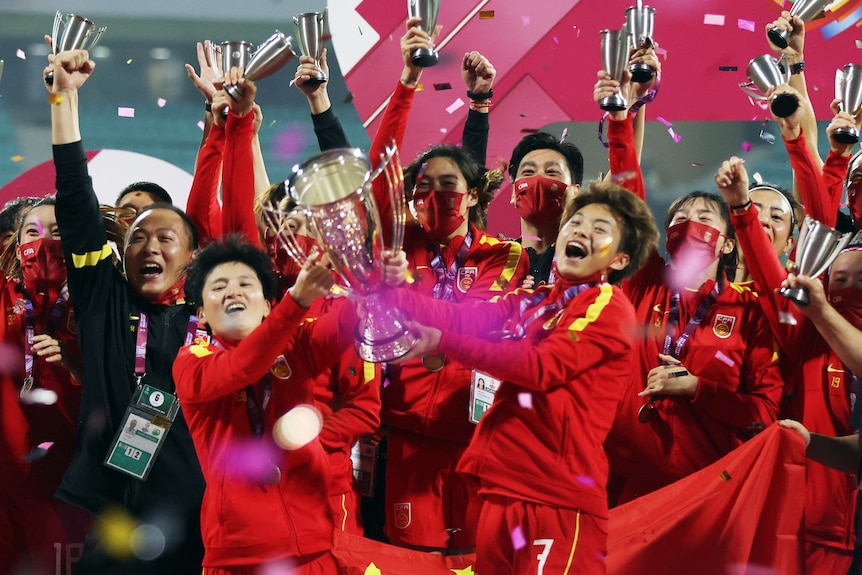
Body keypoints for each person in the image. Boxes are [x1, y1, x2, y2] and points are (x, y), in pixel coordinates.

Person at [383, 181, 658, 574]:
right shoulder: (540, 300)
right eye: (576, 221)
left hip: (557, 498)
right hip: (503, 486)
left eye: (600, 229)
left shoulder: (607, 305)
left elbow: (541, 368)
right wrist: (391, 294)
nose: (581, 230)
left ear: (617, 260)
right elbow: (464, 317)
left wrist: (444, 343)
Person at [367, 17, 529, 553]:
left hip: (478, 439)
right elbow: (381, 167)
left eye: (449, 185)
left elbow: (475, 319)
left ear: (473, 194)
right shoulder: (397, 241)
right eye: (423, 187)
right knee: (411, 561)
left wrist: (396, 296)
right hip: (408, 439)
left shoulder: (505, 255)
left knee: (479, 561)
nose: (436, 195)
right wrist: (409, 79)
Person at [595, 67, 785, 504]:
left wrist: (698, 389)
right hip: (623, 485)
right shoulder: (644, 283)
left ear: (727, 244)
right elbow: (628, 198)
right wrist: (623, 116)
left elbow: (766, 410)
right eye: (679, 220)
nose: (689, 226)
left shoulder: (749, 311)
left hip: (703, 494)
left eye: (703, 220)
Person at [47, 49, 206, 573]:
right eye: (138, 237)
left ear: (192, 256)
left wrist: (231, 126)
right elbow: (74, 201)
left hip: (196, 518)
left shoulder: (210, 315)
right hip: (113, 517)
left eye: (167, 237)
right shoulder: (103, 300)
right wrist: (64, 98)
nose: (151, 247)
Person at [174, 235, 360, 574]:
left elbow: (349, 322)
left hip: (313, 547)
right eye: (218, 287)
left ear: (267, 306)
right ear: (201, 315)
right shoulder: (192, 361)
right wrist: (297, 301)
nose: (233, 292)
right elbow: (240, 367)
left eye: (246, 283)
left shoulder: (297, 345)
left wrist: (369, 278)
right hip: (240, 556)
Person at [716, 136, 859, 574]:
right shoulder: (700, 301)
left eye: (775, 216)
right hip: (740, 497)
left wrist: (814, 144)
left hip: (822, 510)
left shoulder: (809, 319)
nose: (763, 223)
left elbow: (818, 206)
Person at [0, 197, 93, 575]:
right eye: (32, 232)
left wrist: (72, 363)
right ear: (15, 243)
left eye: (57, 232)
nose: (43, 242)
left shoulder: (96, 301)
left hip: (68, 482)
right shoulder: (3, 294)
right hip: (6, 484)